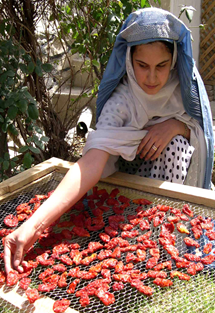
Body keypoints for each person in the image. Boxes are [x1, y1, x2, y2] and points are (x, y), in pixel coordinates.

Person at [4, 7, 214, 274]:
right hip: (128, 183)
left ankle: (160, 236)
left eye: (161, 66)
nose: (152, 77)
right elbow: (91, 161)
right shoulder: (122, 102)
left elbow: (202, 133)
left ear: (173, 62)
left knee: (177, 148)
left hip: (168, 181)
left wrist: (177, 126)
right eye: (142, 66)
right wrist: (33, 226)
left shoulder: (184, 93)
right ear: (128, 60)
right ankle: (134, 232)